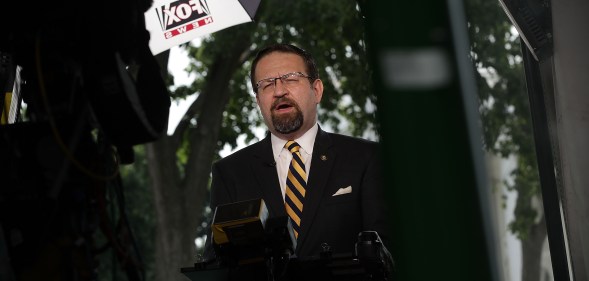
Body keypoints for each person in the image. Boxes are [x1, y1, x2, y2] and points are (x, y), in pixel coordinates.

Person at [204, 43, 389, 260]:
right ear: (258, 101)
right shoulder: (230, 173)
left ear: (317, 90)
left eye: (291, 78)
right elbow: (217, 262)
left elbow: (387, 255)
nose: (279, 91)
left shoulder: (366, 158)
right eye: (266, 84)